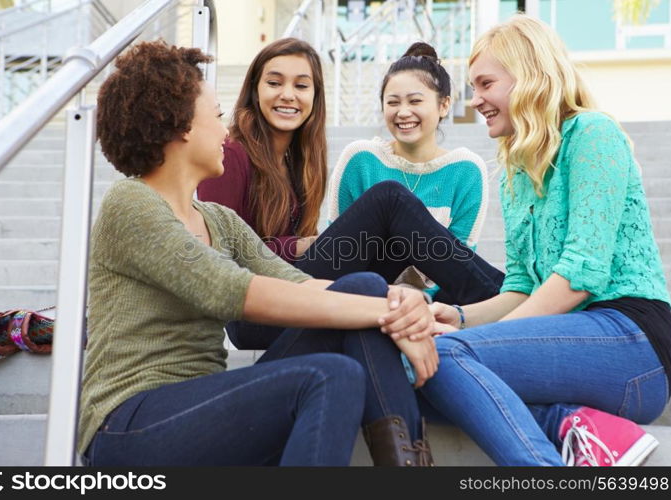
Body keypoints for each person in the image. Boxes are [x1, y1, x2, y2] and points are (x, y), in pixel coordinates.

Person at [78, 40, 440, 467]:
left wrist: (401, 303)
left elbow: (301, 284)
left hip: (205, 410)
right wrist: (391, 313)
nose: (226, 131)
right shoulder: (131, 203)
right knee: (333, 374)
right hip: (130, 423)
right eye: (216, 117)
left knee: (362, 286)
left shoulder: (218, 220)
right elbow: (231, 290)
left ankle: (409, 464)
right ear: (181, 127)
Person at [388, 15, 671, 466]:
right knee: (403, 374)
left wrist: (477, 338)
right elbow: (520, 287)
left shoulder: (592, 134)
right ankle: (567, 423)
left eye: (485, 83)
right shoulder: (515, 173)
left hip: (631, 346)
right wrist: (460, 316)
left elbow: (581, 276)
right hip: (566, 343)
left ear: (530, 77)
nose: (475, 99)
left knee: (441, 357)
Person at [197, 38, 503, 350]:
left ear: (315, 97)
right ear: (254, 90)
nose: (288, 94)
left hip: (294, 291)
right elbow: (219, 257)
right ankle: (505, 298)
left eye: (302, 86)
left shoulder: (297, 162)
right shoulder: (232, 154)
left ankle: (499, 304)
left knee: (415, 256)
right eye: (274, 83)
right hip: (255, 312)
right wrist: (300, 245)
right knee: (388, 199)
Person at [328, 42, 489, 299]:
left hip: (427, 305)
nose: (403, 112)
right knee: (389, 197)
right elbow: (338, 247)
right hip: (357, 295)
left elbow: (458, 265)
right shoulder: (361, 159)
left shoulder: (466, 170)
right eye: (392, 102)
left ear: (444, 105)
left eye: (415, 101)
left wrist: (416, 304)